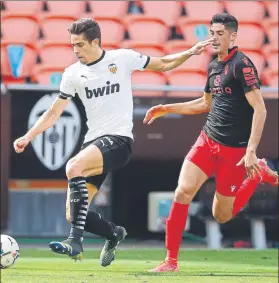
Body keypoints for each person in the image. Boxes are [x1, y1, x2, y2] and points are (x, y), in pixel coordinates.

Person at [13, 18, 212, 266]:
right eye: (72, 45)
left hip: (119, 140)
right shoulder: (73, 73)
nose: (75, 50)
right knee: (72, 214)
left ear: (95, 42)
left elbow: (163, 64)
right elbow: (54, 112)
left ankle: (75, 242)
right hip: (93, 144)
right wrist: (28, 136)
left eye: (80, 45)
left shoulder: (122, 59)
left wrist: (190, 52)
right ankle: (113, 234)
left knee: (73, 167)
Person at [144, 13, 278, 272]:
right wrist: (167, 108)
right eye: (211, 33)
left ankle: (256, 172)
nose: (214, 38)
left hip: (234, 151)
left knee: (222, 215)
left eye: (219, 34)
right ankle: (170, 261)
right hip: (207, 141)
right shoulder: (214, 64)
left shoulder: (243, 65)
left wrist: (250, 151)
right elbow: (205, 104)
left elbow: (260, 110)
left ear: (232, 36)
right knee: (182, 192)